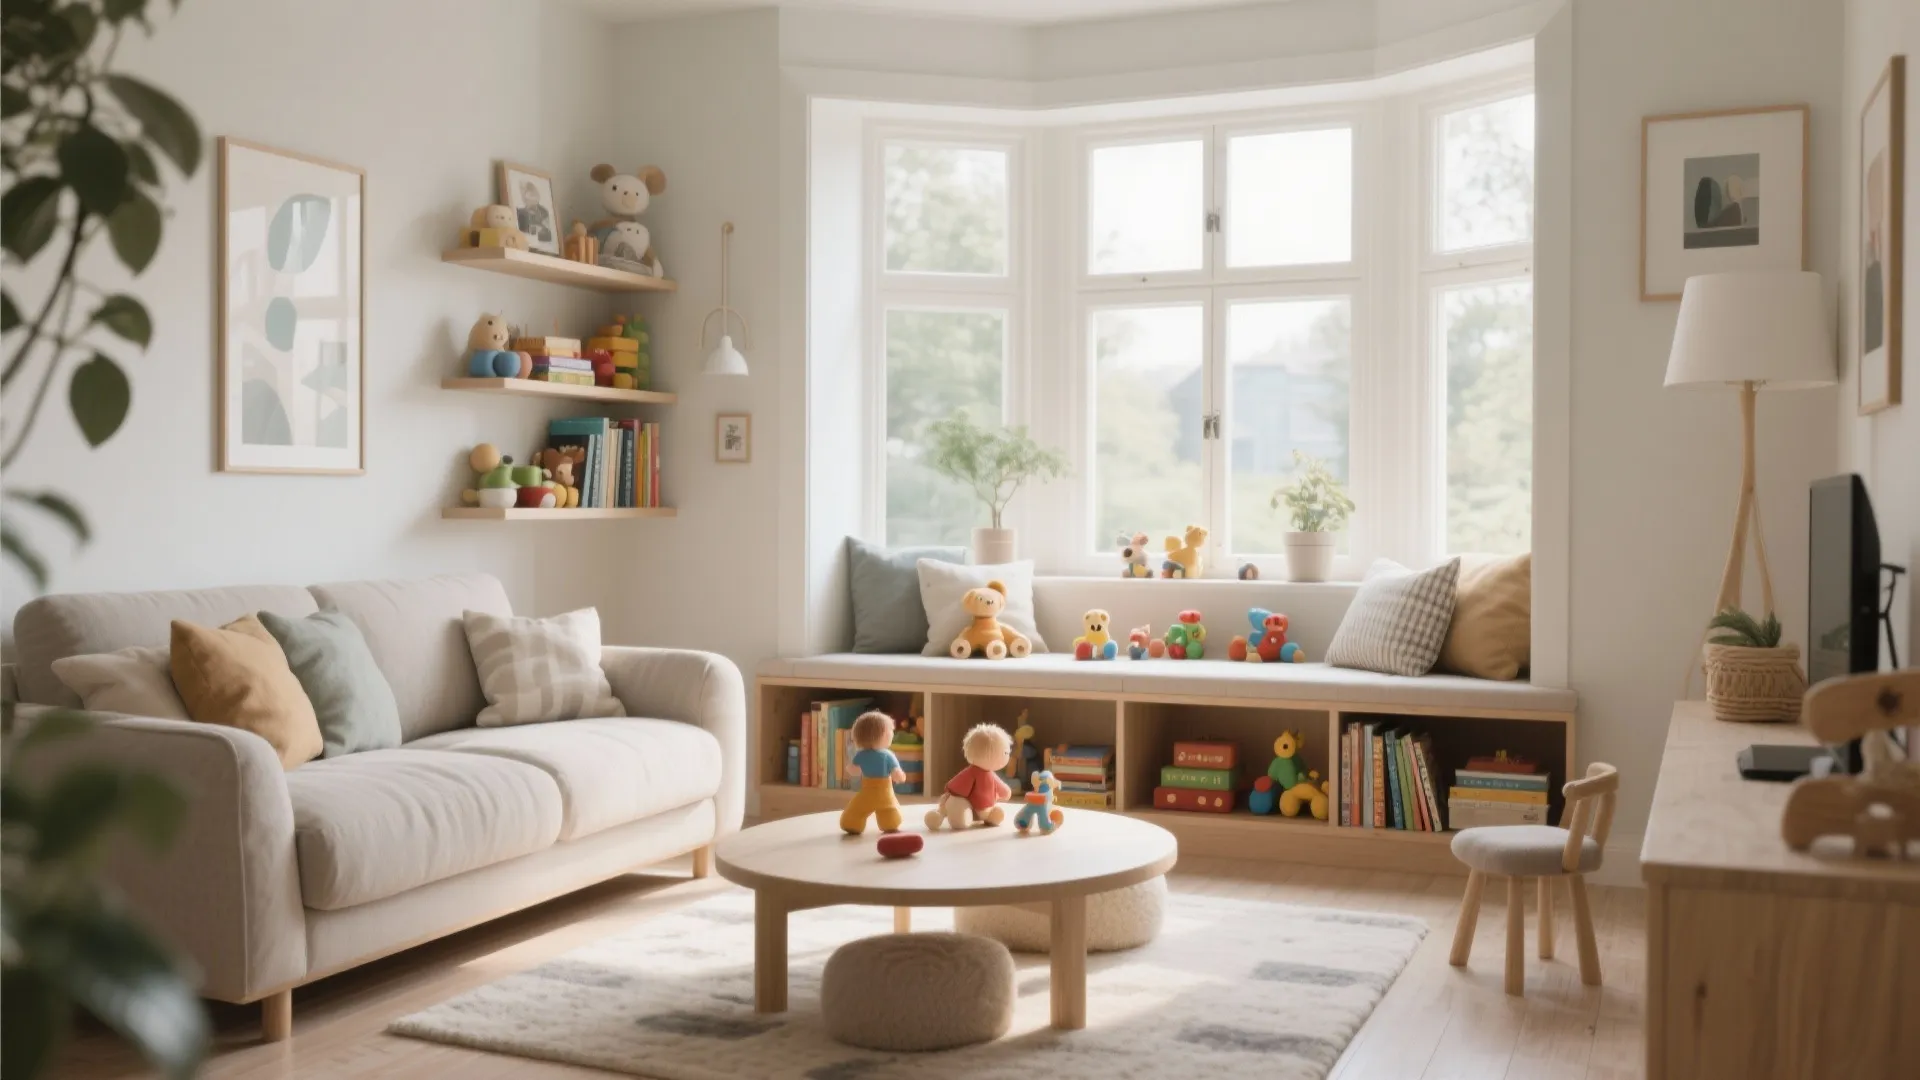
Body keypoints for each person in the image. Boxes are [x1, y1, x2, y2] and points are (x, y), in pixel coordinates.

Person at [925, 723, 1013, 830]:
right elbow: (955, 788)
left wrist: (1005, 792)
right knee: (958, 807)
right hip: (967, 802)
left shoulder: (990, 774)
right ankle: (941, 815)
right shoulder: (971, 773)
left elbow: (1003, 789)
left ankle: (987, 815)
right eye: (1005, 752)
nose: (1007, 756)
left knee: (989, 812)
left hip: (983, 807)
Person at [840, 711, 907, 835]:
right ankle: (890, 823)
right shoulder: (887, 755)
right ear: (884, 734)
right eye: (890, 731)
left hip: (867, 792)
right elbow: (895, 772)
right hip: (884, 793)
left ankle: (852, 823)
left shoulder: (861, 755)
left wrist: (850, 769)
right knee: (889, 810)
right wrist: (899, 776)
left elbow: (854, 770)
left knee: (855, 810)